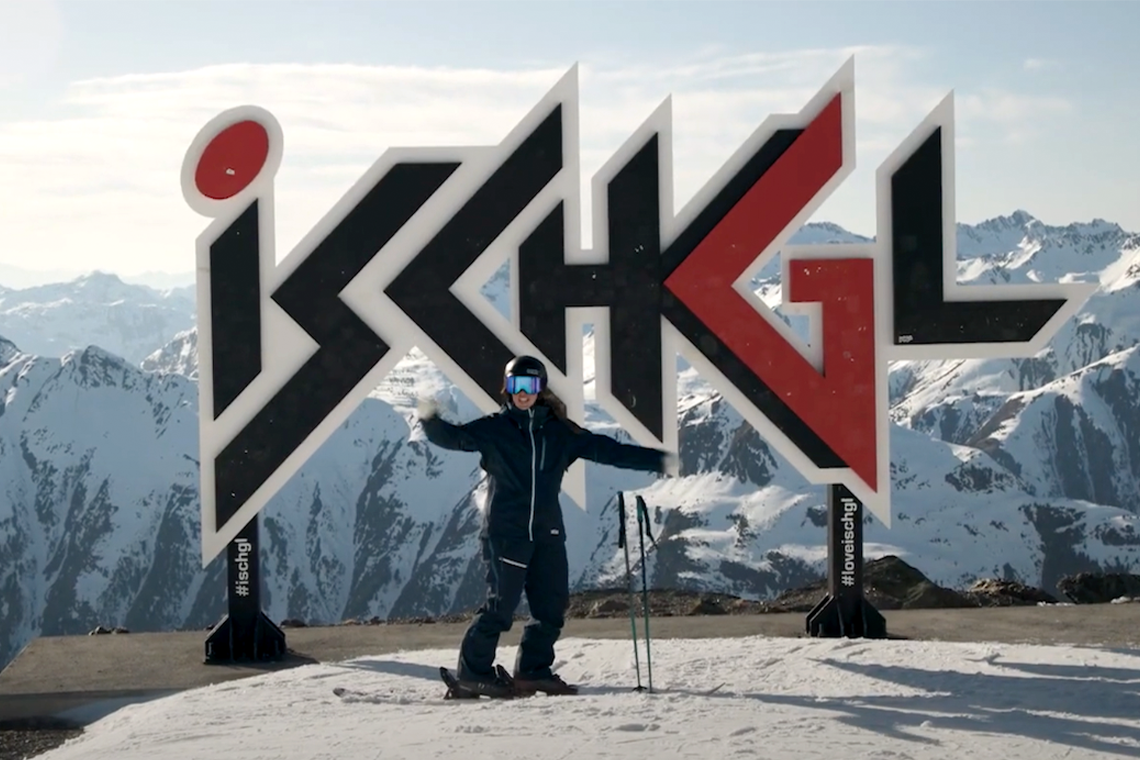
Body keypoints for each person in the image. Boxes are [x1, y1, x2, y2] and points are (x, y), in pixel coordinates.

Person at [417, 355, 670, 697]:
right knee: (500, 608)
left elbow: (607, 450)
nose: (523, 392)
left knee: (551, 607)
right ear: (507, 388)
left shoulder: (559, 432)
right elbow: (454, 438)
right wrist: (428, 417)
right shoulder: (494, 429)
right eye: (516, 385)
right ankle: (472, 673)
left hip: (547, 534)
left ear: (541, 389)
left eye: (530, 385)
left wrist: (660, 460)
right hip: (507, 533)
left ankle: (533, 670)